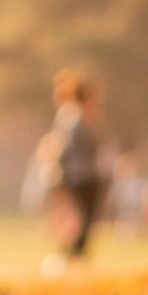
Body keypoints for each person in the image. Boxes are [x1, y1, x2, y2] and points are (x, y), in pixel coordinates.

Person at [30, 72, 110, 263]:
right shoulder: (74, 116)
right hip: (78, 175)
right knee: (79, 218)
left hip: (86, 174)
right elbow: (67, 147)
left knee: (84, 218)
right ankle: (72, 255)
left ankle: (76, 255)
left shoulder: (80, 115)